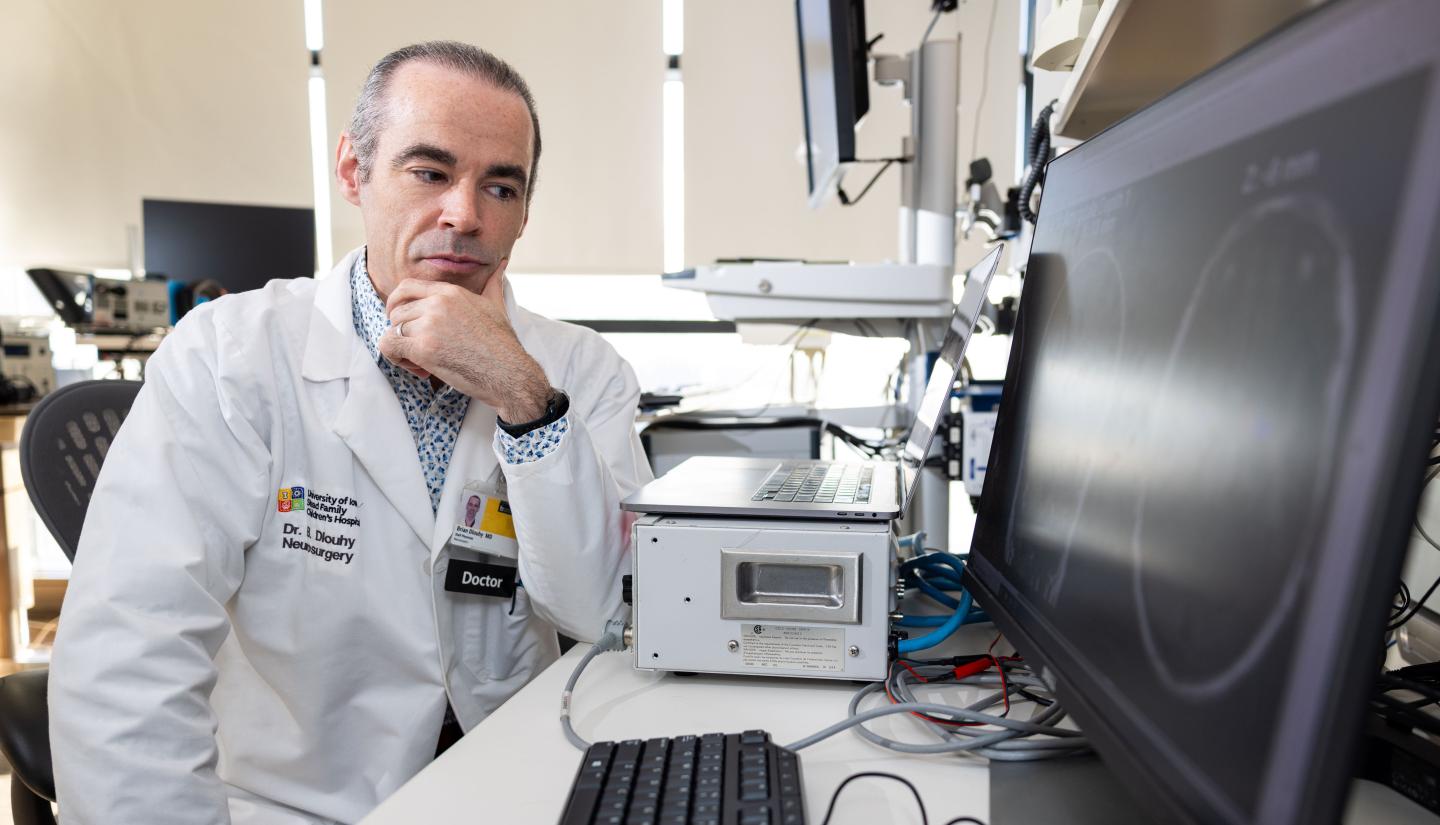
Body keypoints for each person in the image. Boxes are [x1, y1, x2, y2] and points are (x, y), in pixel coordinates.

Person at [48, 41, 652, 825]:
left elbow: (608, 615)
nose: (464, 215)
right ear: (353, 171)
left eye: (500, 185)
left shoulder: (579, 372)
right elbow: (128, 658)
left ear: (525, 212)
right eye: (429, 172)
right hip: (297, 802)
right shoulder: (231, 357)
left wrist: (522, 395)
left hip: (520, 787)